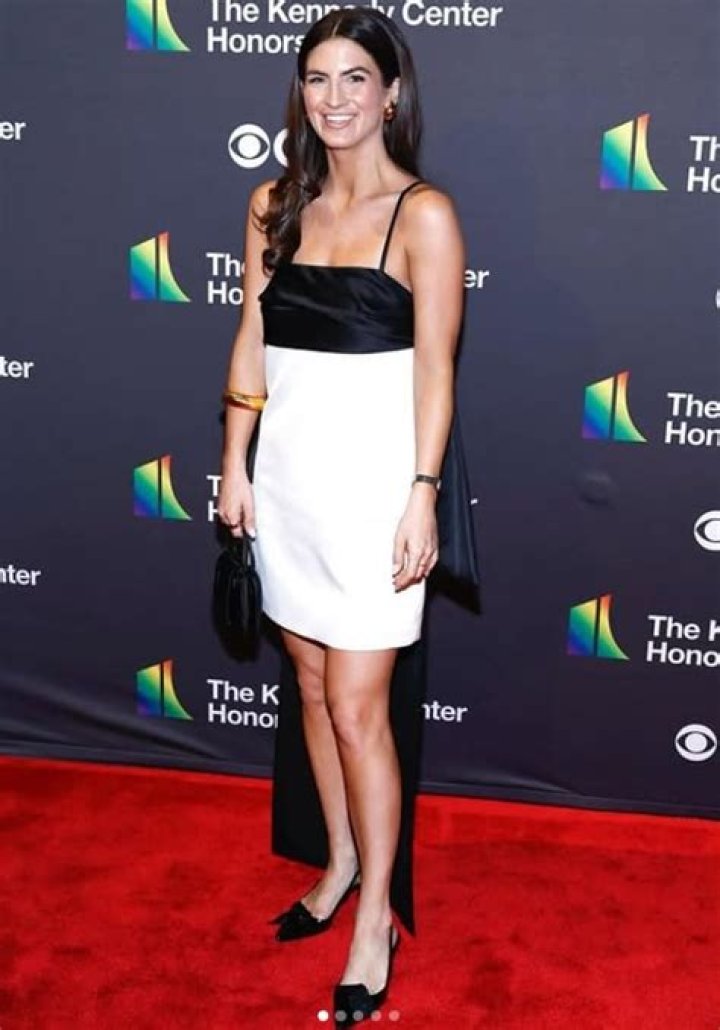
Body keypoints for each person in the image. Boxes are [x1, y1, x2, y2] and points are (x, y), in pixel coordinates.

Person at [217, 7, 465, 1023]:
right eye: (318, 79)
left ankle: (373, 918)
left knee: (362, 707)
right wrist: (234, 463)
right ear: (300, 94)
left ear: (391, 94)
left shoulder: (424, 216)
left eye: (356, 78)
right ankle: (339, 861)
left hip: (373, 494)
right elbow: (251, 337)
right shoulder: (273, 203)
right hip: (287, 485)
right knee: (315, 689)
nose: (336, 98)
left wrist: (422, 493)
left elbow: (437, 372)